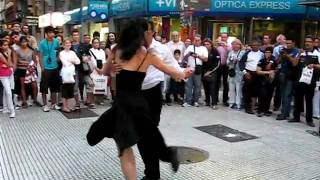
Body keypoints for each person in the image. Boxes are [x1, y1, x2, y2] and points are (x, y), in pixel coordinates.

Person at [87, 18, 186, 180]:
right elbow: (173, 72)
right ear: (141, 35)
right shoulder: (147, 55)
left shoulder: (116, 50)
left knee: (120, 143)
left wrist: (112, 68)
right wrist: (182, 74)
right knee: (149, 132)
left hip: (122, 105)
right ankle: (167, 154)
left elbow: (104, 72)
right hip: (139, 104)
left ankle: (165, 156)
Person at [290, 36, 320, 127]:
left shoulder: (317, 53)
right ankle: (296, 117)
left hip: (311, 81)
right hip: (300, 80)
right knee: (298, 99)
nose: (307, 43)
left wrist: (314, 65)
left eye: (309, 42)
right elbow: (294, 64)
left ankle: (309, 120)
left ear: (313, 43)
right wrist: (299, 54)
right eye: (306, 41)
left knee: (309, 100)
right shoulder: (301, 53)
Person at [276, 39, 300, 120]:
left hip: (291, 76)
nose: (288, 45)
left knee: (287, 95)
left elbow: (294, 63)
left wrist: (287, 56)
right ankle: (284, 112)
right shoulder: (284, 50)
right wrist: (281, 55)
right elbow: (278, 62)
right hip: (282, 74)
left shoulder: (297, 51)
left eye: (289, 43)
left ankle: (285, 114)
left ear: (293, 43)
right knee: (283, 95)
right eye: (287, 43)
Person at [38, 26, 61, 112]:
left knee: (54, 87)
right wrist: (42, 67)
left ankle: (54, 104)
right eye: (50, 33)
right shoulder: (42, 43)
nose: (52, 34)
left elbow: (59, 49)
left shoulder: (56, 41)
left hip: (55, 67)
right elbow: (40, 56)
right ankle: (45, 105)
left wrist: (58, 56)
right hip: (46, 67)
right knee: (44, 87)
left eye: (53, 32)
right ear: (46, 34)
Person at [183, 34, 208, 107]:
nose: (196, 42)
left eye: (198, 40)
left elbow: (206, 59)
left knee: (197, 86)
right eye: (195, 40)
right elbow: (184, 57)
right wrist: (188, 54)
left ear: (200, 41)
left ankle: (195, 101)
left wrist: (197, 55)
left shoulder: (203, 48)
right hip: (189, 68)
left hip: (198, 69)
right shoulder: (190, 47)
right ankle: (188, 101)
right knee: (188, 86)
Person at [239, 40, 264, 114]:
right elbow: (241, 63)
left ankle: (255, 107)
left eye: (257, 45)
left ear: (259, 45)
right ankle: (247, 107)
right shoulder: (247, 53)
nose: (255, 46)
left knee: (256, 91)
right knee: (247, 91)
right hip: (248, 73)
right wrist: (245, 73)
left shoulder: (262, 54)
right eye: (253, 45)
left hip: (258, 75)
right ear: (251, 46)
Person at [15, 36, 38, 108]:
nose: (23, 43)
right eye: (22, 42)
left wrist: (33, 66)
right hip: (21, 70)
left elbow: (35, 61)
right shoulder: (17, 51)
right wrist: (27, 63)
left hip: (31, 70)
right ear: (20, 43)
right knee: (23, 86)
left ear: (27, 42)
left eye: (25, 42)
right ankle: (24, 102)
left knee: (34, 85)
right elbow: (17, 61)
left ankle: (35, 99)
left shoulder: (31, 50)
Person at [59, 39, 80, 112]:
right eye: (66, 43)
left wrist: (72, 60)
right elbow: (65, 63)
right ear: (63, 45)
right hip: (65, 73)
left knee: (71, 90)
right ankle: (65, 106)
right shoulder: (62, 53)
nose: (68, 44)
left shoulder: (73, 52)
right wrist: (72, 61)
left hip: (72, 73)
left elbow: (78, 61)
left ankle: (69, 106)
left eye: (69, 43)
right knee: (65, 90)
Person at [256, 47, 276, 117]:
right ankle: (259, 110)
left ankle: (266, 110)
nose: (267, 54)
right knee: (262, 95)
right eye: (266, 52)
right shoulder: (262, 60)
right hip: (262, 80)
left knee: (269, 95)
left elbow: (276, 69)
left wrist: (273, 72)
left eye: (269, 52)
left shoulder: (274, 60)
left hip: (271, 81)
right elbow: (258, 71)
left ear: (271, 53)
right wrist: (268, 72)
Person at [227, 39, 246, 110]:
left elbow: (244, 62)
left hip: (239, 73)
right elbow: (227, 62)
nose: (235, 46)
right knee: (231, 89)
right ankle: (231, 103)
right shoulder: (230, 52)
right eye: (233, 44)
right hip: (231, 72)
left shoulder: (243, 52)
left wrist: (238, 60)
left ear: (240, 45)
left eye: (237, 44)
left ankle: (238, 104)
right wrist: (231, 61)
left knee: (239, 89)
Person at [202, 39, 220, 109]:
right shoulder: (202, 50)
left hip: (213, 71)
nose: (206, 46)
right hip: (204, 71)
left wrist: (210, 71)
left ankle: (214, 103)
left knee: (212, 88)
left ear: (211, 44)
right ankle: (207, 101)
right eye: (205, 44)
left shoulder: (215, 51)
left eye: (208, 44)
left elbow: (218, 63)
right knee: (206, 87)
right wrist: (204, 72)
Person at [89, 38, 107, 107]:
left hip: (101, 69)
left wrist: (102, 69)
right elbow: (92, 62)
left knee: (101, 84)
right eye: (95, 42)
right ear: (92, 43)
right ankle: (93, 100)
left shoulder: (102, 51)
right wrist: (97, 69)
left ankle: (100, 99)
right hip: (94, 70)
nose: (96, 44)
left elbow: (104, 61)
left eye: (97, 43)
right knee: (94, 85)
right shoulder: (90, 51)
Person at [0, 40, 15, 118]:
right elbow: (9, 63)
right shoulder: (1, 54)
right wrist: (9, 54)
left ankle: (5, 108)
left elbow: (11, 64)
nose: (7, 46)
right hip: (3, 75)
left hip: (10, 73)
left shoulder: (6, 53)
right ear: (1, 46)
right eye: (5, 45)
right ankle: (12, 110)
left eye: (7, 45)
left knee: (7, 91)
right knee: (9, 92)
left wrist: (8, 65)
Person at [216, 33, 231, 106]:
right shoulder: (217, 46)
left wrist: (224, 45)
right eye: (222, 37)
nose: (223, 38)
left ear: (227, 38)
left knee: (226, 84)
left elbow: (230, 51)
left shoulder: (229, 45)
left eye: (225, 37)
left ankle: (225, 100)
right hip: (218, 66)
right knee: (217, 83)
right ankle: (215, 98)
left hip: (226, 67)